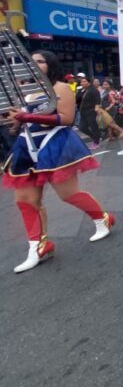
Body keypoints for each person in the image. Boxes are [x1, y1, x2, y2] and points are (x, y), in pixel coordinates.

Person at [3, 50, 114, 273]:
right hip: (26, 147)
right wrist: (15, 121)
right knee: (25, 200)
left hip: (54, 144)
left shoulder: (60, 87)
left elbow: (66, 119)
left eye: (40, 61)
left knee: (68, 194)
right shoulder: (23, 91)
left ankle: (102, 219)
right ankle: (38, 246)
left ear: (50, 65)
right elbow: (20, 122)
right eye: (30, 62)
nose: (34, 65)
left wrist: (28, 117)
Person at [78, 76, 101, 148]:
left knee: (94, 127)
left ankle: (96, 142)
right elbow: (77, 99)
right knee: (82, 127)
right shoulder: (81, 90)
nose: (82, 83)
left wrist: (97, 107)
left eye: (84, 81)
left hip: (91, 111)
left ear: (88, 82)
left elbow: (98, 98)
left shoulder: (92, 90)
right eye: (81, 82)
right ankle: (95, 138)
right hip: (83, 112)